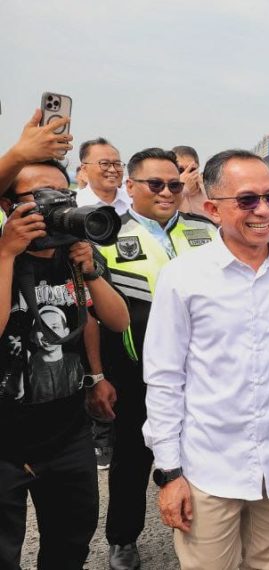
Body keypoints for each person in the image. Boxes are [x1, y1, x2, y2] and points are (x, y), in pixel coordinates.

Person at [142, 150, 269, 569]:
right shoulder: (184, 277)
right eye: (247, 200)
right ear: (214, 209)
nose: (263, 211)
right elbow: (164, 377)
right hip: (209, 464)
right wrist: (168, 471)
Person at [0, 158, 129, 569]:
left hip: (68, 431)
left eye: (63, 195)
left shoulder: (74, 254)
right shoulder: (3, 254)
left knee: (70, 544)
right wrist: (6, 253)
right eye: (41, 197)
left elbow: (112, 319)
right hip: (5, 439)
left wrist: (89, 271)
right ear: (7, 205)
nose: (56, 205)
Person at [98, 148, 219, 570]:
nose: (167, 192)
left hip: (203, 373)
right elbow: (93, 314)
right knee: (132, 460)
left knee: (199, 458)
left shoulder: (206, 230)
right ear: (130, 187)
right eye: (156, 184)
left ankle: (199, 535)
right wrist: (98, 375)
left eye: (174, 184)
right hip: (136, 373)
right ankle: (123, 539)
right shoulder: (106, 234)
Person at [76, 138, 132, 215]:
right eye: (105, 164)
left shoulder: (134, 202)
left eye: (117, 164)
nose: (113, 170)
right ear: (85, 169)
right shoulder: (75, 204)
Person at [172, 145, 209, 217]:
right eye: (180, 170)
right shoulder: (166, 192)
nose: (186, 175)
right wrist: (182, 188)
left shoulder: (210, 192)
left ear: (197, 168)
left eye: (191, 169)